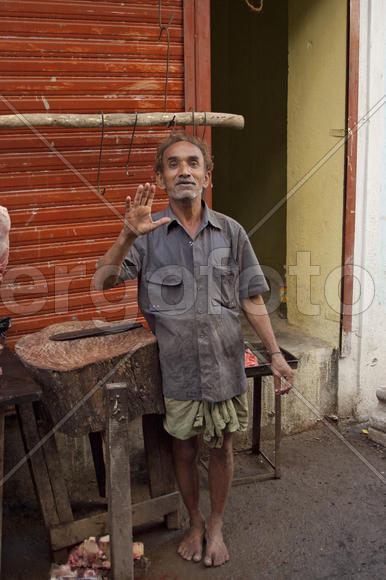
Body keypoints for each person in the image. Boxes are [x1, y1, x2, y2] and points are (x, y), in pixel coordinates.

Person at [94, 133, 294, 567]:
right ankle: (195, 521)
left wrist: (275, 355)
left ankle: (217, 524)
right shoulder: (147, 235)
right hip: (178, 367)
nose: (184, 170)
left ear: (207, 174)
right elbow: (103, 283)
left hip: (225, 362)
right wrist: (128, 234)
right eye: (173, 164)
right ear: (161, 177)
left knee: (223, 445)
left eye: (193, 163)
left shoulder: (232, 231)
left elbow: (252, 298)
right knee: (182, 448)